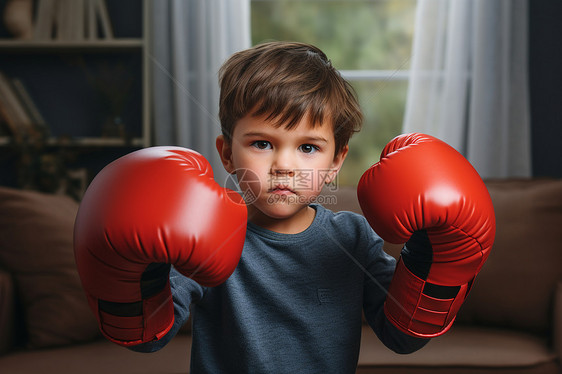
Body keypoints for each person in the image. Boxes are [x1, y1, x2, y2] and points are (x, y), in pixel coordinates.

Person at [74, 41, 495, 373]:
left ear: (336, 162)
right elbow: (147, 338)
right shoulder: (212, 234)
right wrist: (138, 269)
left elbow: (403, 334)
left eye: (308, 147)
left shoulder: (352, 237)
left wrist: (430, 252)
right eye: (261, 143)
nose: (284, 166)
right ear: (226, 154)